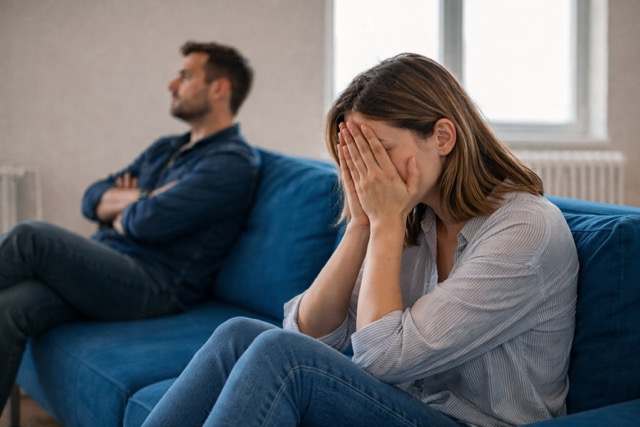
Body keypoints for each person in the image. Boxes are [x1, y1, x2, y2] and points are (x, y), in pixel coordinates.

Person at [140, 54, 579, 427]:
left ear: (442, 137)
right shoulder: (414, 220)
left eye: (380, 151)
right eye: (355, 158)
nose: (368, 174)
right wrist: (361, 225)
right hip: (409, 407)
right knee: (239, 334)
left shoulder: (525, 229)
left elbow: (381, 356)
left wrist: (386, 221)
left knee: (282, 357)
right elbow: (308, 332)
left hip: (474, 422)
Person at [0, 41, 260, 410]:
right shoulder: (166, 147)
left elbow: (147, 223)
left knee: (31, 237)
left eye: (185, 76)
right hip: (109, 264)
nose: (171, 84)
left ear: (219, 88)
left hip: (153, 285)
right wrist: (148, 195)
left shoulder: (231, 164)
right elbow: (91, 197)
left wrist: (133, 202)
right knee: (10, 307)